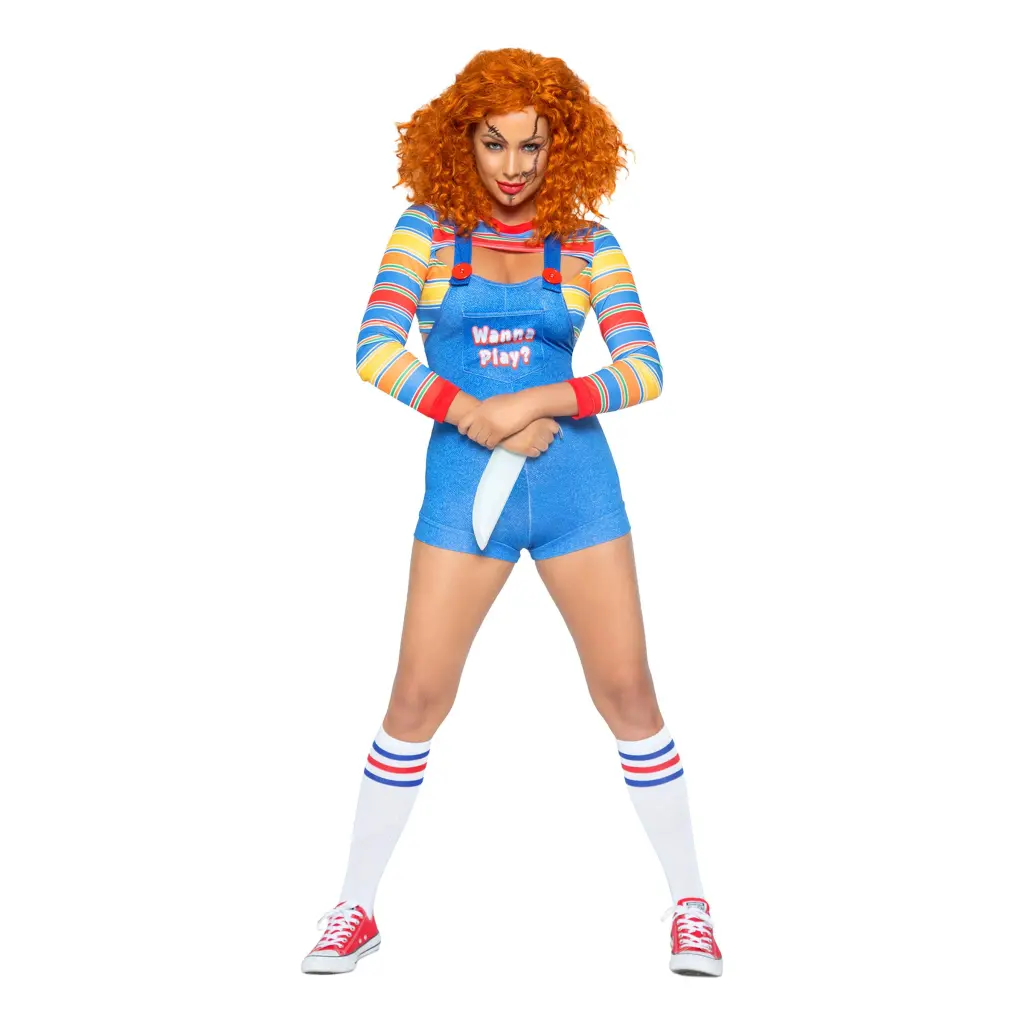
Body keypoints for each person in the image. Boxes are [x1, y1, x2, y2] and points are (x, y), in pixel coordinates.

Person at [301, 48, 722, 978]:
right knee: (417, 698)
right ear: (464, 140)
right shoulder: (425, 231)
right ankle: (354, 906)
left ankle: (691, 903)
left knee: (628, 693)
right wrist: (475, 416)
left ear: (562, 147)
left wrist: (535, 403)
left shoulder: (588, 245)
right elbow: (374, 348)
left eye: (533, 146)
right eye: (494, 143)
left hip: (577, 494)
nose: (514, 167)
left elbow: (644, 369)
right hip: (465, 491)